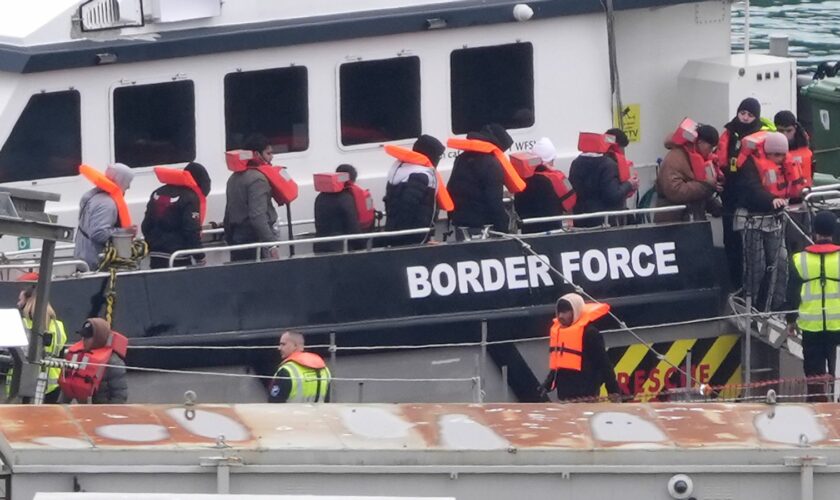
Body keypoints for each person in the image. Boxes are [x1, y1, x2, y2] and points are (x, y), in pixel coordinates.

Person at [716, 98, 774, 290]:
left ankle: (750, 289)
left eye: (750, 115)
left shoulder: (761, 138)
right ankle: (735, 284)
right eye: (743, 113)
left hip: (750, 200)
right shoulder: (729, 133)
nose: (745, 117)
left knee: (751, 250)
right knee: (731, 243)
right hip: (729, 197)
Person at [786, 211, 840, 402]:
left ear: (814, 232)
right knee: (838, 375)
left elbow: (792, 294)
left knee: (814, 379)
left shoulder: (799, 259)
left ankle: (818, 412)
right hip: (838, 328)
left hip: (811, 329)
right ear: (834, 231)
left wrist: (790, 321)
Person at [734, 131, 791, 311]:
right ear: (769, 152)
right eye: (778, 155)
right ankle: (752, 306)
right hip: (753, 221)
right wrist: (771, 200)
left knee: (781, 264)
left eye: (783, 155)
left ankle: (777, 306)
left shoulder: (784, 167)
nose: (781, 159)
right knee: (756, 266)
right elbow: (753, 188)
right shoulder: (750, 165)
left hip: (774, 221)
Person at [540, 293, 621, 401]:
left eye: (565, 312)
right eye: (559, 312)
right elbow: (559, 365)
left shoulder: (590, 333)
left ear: (576, 311)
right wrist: (548, 383)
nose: (560, 316)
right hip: (565, 394)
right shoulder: (560, 332)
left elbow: (604, 363)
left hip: (587, 394)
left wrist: (613, 390)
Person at [447, 123, 522, 238]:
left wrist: (453, 216)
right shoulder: (491, 164)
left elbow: (451, 188)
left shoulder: (461, 159)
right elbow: (494, 201)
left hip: (460, 223)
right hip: (483, 227)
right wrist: (503, 228)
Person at [4, 278, 67, 403]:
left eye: (20, 300)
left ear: (28, 302)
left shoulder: (21, 324)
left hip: (24, 382)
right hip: (52, 383)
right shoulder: (58, 325)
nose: (18, 303)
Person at [142, 162, 212, 268]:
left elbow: (146, 225)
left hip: (155, 254)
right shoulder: (190, 198)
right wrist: (200, 256)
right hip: (178, 256)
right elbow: (191, 231)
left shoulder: (157, 193)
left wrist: (152, 244)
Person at [223, 134, 280, 262]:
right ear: (257, 155)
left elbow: (228, 213)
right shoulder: (258, 179)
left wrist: (229, 238)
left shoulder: (233, 178)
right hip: (255, 240)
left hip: (237, 238)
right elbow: (258, 216)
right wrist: (271, 245)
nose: (272, 157)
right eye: (268, 153)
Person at [383, 135, 448, 245]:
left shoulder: (403, 168)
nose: (439, 159)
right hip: (412, 238)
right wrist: (420, 238)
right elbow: (408, 206)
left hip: (398, 233)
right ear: (430, 154)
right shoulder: (420, 175)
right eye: (438, 156)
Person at [654, 122, 722, 223]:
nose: (711, 152)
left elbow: (697, 187)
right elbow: (675, 191)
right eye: (710, 147)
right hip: (673, 223)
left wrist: (714, 205)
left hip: (692, 220)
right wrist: (707, 186)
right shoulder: (675, 158)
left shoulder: (696, 158)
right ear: (700, 142)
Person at [74, 163, 136, 270]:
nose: (129, 187)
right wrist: (125, 232)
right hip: (96, 263)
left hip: (83, 258)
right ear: (121, 180)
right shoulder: (107, 204)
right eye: (128, 182)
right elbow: (99, 233)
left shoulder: (90, 195)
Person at [568, 132, 638, 228]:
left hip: (581, 220)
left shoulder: (575, 163)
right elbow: (613, 195)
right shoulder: (608, 165)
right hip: (604, 223)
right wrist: (629, 184)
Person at [513, 137, 575, 233]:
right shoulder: (557, 178)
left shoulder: (522, 180)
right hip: (551, 230)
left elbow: (517, 205)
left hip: (528, 230)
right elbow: (569, 201)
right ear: (551, 160)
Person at [59, 318, 128, 404]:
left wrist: (107, 415)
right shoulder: (78, 356)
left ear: (99, 337)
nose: (83, 340)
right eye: (83, 336)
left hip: (102, 412)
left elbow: (120, 397)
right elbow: (67, 387)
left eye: (87, 337)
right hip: (83, 412)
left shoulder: (114, 363)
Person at [268, 331, 331, 403]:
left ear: (295, 345)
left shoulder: (286, 371)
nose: (279, 348)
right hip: (317, 414)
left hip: (292, 414)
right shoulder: (324, 370)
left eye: (283, 344)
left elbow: (274, 404)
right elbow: (326, 401)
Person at [313, 164, 362, 254]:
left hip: (320, 247)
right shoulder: (345, 198)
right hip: (341, 248)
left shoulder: (320, 197)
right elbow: (352, 227)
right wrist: (362, 243)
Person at [774, 110, 813, 197]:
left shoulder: (804, 143)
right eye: (781, 131)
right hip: (778, 195)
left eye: (789, 131)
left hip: (803, 192)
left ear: (795, 128)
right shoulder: (769, 144)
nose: (785, 135)